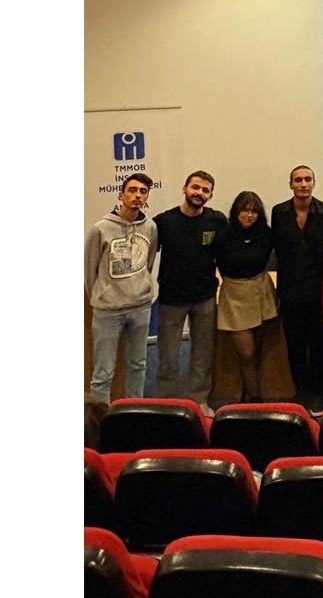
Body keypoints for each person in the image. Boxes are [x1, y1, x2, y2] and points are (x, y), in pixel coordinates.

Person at [153, 170, 227, 416]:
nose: (199, 193)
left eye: (205, 190)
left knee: (202, 357)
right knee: (168, 358)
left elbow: (225, 254)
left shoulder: (217, 220)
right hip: (171, 300)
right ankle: (167, 406)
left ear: (210, 195)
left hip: (205, 298)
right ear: (184, 189)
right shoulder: (164, 221)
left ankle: (199, 402)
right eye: (195, 187)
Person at [85, 172, 158, 404]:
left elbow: (147, 263)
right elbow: (90, 271)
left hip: (140, 307)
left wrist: (141, 288)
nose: (137, 196)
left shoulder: (150, 227)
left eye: (143, 192)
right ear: (121, 195)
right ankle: (100, 420)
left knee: (138, 365)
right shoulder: (100, 229)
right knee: (103, 373)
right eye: (132, 190)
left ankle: (133, 415)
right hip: (108, 311)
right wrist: (103, 296)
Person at [271, 165, 323, 407]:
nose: (303, 184)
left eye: (307, 179)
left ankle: (318, 393)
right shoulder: (279, 212)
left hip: (318, 292)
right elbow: (278, 251)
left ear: (314, 183)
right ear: (290, 184)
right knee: (295, 345)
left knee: (319, 345)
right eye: (298, 180)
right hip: (290, 291)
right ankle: (301, 390)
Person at [214, 190, 277, 402]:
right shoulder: (223, 236)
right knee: (246, 353)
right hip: (235, 294)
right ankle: (255, 399)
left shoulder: (266, 234)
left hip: (261, 290)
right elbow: (222, 266)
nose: (249, 215)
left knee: (258, 351)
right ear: (236, 211)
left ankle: (249, 395)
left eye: (253, 211)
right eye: (244, 210)